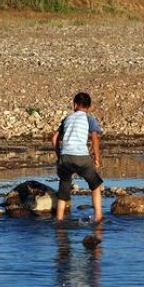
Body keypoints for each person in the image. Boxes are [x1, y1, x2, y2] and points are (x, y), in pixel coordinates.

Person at [51, 92, 104, 222]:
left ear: (74, 104)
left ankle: (59, 220)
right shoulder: (89, 118)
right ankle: (98, 218)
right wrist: (97, 158)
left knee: (63, 190)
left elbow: (54, 139)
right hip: (81, 157)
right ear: (89, 107)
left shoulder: (67, 118)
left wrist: (60, 157)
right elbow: (95, 137)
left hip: (65, 158)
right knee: (95, 185)